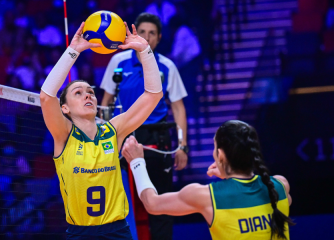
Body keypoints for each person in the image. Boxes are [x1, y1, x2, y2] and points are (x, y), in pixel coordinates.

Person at [40, 20, 163, 239]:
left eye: (90, 91)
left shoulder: (112, 130)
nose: (88, 94)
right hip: (80, 233)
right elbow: (46, 97)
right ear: (65, 108)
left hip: (117, 231)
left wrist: (144, 50)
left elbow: (153, 95)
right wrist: (73, 51)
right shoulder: (63, 134)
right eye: (78, 92)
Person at [122, 120, 294, 240]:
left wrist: (137, 162)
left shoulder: (206, 196)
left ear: (220, 155)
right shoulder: (280, 185)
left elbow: (152, 204)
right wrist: (228, 173)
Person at [100, 13, 188, 239]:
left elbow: (178, 108)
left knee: (161, 205)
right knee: (123, 204)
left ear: (159, 38)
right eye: (142, 32)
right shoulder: (117, 62)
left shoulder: (168, 66)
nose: (147, 37)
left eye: (152, 33)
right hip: (124, 138)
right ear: (134, 34)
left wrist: (182, 146)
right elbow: (105, 103)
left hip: (157, 141)